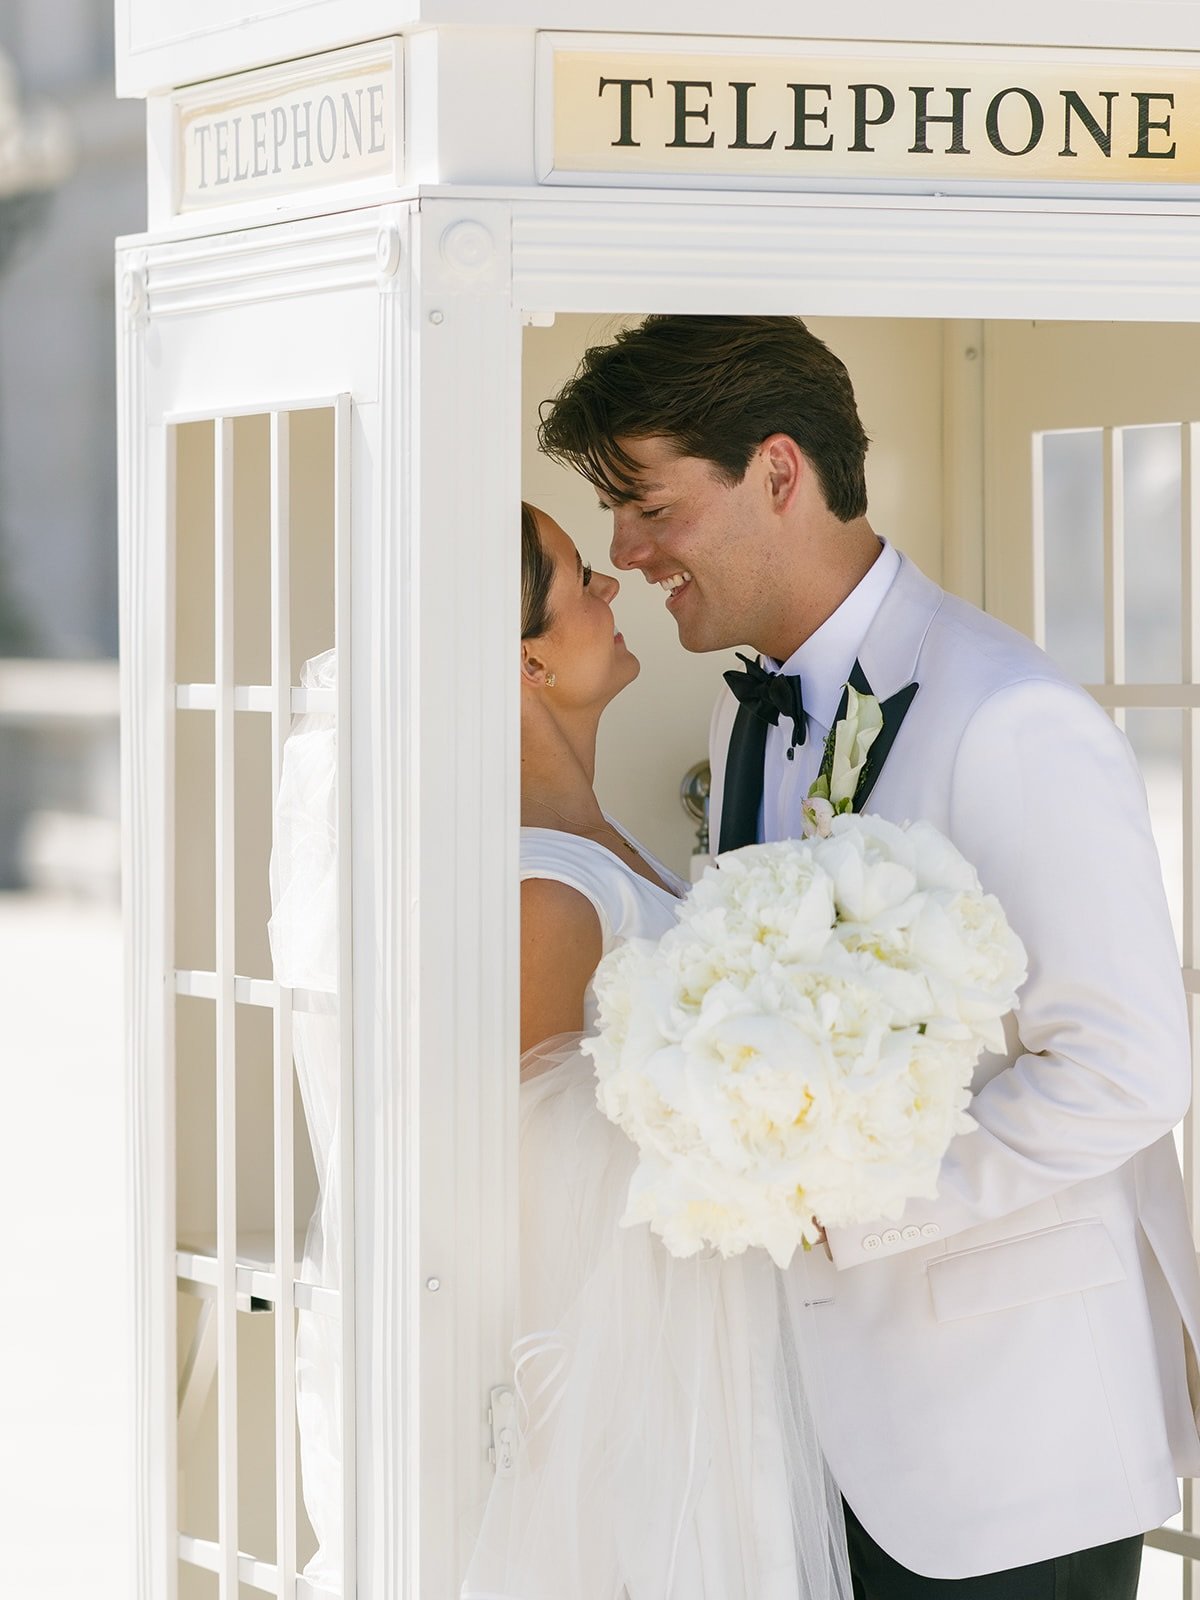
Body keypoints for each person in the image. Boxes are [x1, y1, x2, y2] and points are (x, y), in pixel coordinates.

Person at [537, 314, 1200, 1596]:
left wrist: (847, 1201)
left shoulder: (1013, 720)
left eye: (650, 505)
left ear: (778, 472)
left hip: (1008, 1451)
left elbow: (1127, 1068)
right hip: (809, 1449)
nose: (626, 552)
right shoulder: (755, 728)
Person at [459, 502, 852, 1599]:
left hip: (707, 1356)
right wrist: (759, 1124)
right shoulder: (547, 886)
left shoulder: (589, 838)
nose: (613, 587)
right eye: (583, 577)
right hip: (636, 1389)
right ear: (530, 656)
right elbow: (519, 1170)